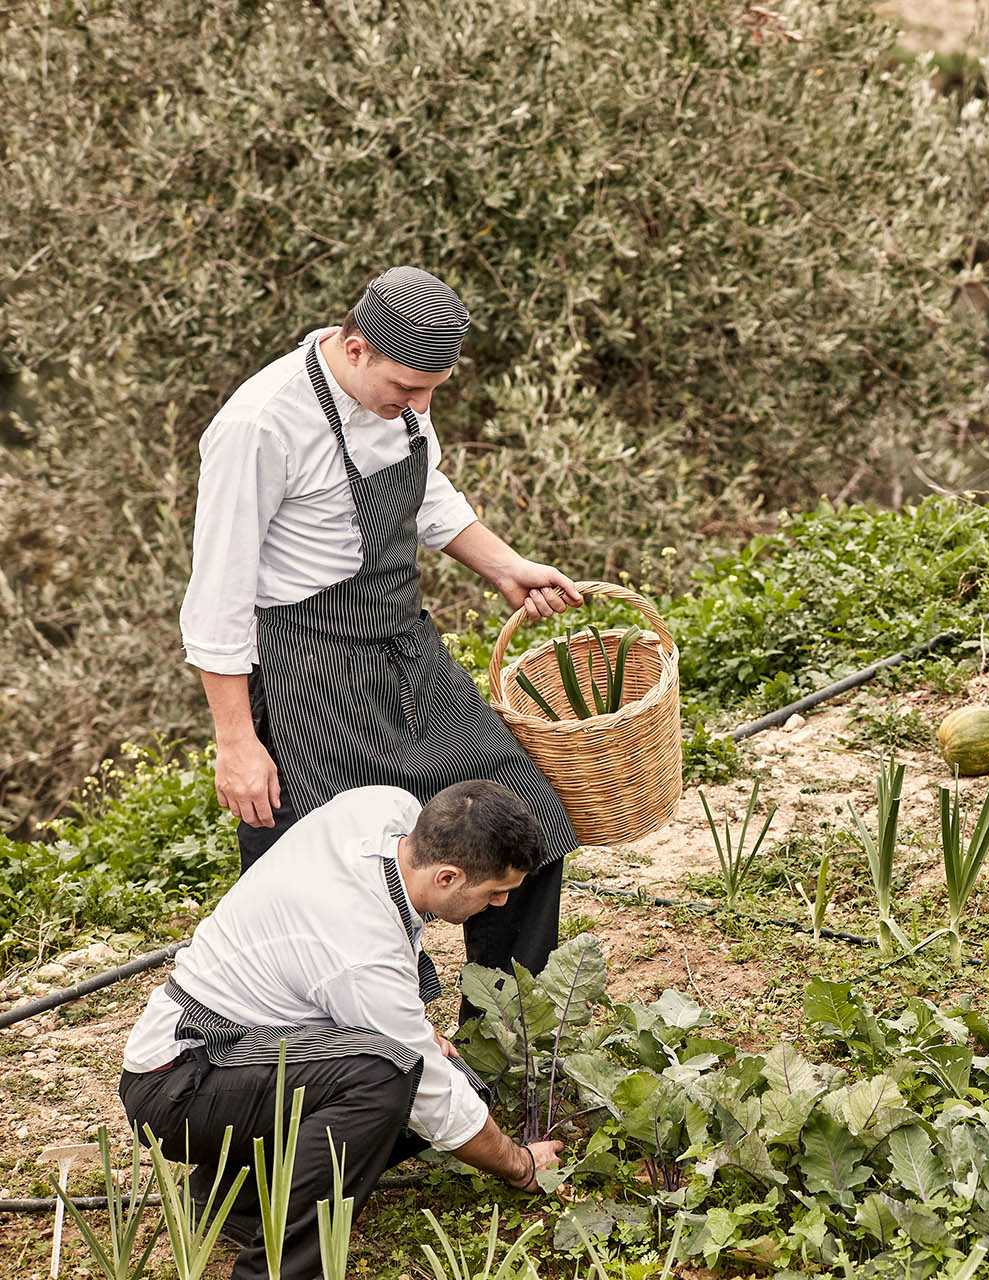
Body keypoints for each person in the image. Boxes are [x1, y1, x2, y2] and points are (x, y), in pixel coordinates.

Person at [179, 267, 580, 983]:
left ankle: (507, 1041)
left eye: (432, 391)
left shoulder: (399, 396)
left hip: (404, 647)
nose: (418, 407)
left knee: (529, 828)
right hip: (310, 674)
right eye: (407, 390)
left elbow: (428, 494)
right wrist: (237, 742)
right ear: (356, 347)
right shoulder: (259, 425)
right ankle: (362, 1054)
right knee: (335, 875)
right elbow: (218, 598)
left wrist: (503, 566)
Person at [120, 781, 566, 1279]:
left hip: (247, 1048)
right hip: (180, 1082)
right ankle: (275, 1270)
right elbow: (430, 1096)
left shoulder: (386, 808)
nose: (503, 904)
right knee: (391, 1076)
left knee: (450, 1076)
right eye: (495, 892)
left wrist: (413, 1032)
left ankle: (232, 1198)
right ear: (447, 876)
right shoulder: (359, 953)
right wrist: (519, 1164)